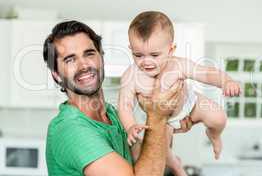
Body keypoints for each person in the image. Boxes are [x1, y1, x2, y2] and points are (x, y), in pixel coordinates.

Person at [43, 20, 191, 176]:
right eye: (70, 59)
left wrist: (168, 122)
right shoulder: (70, 129)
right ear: (57, 75)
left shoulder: (112, 115)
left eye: (89, 54)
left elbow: (154, 165)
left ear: (102, 57)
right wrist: (157, 116)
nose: (84, 65)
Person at [118, 11, 241, 176]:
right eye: (138, 55)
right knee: (161, 151)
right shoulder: (131, 76)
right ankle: (178, 169)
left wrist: (226, 81)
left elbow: (206, 73)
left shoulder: (178, 65)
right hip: (164, 121)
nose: (146, 61)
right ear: (131, 49)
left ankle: (214, 135)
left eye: (154, 55)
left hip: (192, 105)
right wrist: (130, 126)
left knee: (219, 118)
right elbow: (124, 105)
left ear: (171, 50)